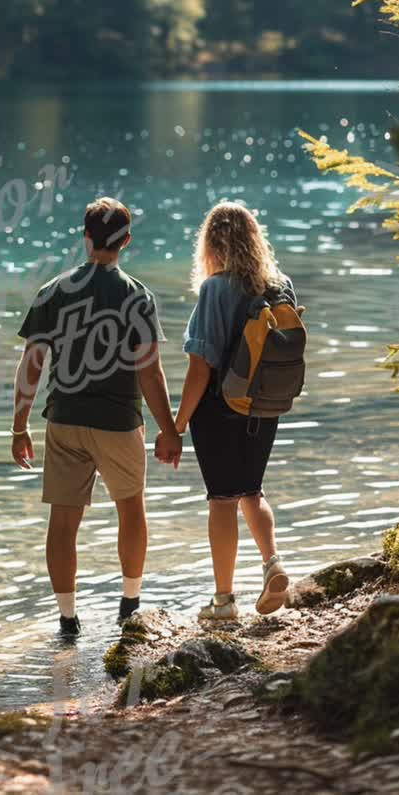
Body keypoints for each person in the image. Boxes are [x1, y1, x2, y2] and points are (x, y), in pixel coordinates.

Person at [11, 197, 182, 637]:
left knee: (63, 521)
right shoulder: (137, 296)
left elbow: (32, 363)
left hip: (64, 419)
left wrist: (19, 425)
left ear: (86, 236)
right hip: (119, 422)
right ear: (125, 241)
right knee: (131, 510)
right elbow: (150, 370)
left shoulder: (52, 291)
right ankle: (130, 603)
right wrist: (169, 428)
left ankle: (68, 620)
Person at [162, 201, 296, 621]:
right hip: (266, 405)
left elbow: (200, 368)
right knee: (251, 491)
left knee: (222, 499)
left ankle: (223, 601)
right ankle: (273, 563)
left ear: (210, 244)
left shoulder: (215, 289)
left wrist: (175, 426)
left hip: (220, 409)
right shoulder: (280, 285)